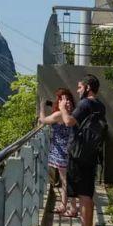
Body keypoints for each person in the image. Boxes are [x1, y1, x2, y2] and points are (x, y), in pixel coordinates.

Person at [59, 74, 106, 226]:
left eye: (79, 87)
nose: (77, 90)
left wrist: (63, 108)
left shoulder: (85, 103)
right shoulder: (100, 106)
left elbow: (69, 122)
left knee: (83, 194)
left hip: (78, 155)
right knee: (87, 192)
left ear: (87, 88)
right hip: (91, 154)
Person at [39, 88, 77, 216]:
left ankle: (71, 208)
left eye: (65, 99)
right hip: (71, 151)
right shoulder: (74, 113)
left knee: (65, 180)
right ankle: (64, 205)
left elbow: (42, 120)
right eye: (62, 99)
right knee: (67, 179)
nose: (64, 102)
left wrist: (42, 107)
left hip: (61, 152)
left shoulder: (59, 115)